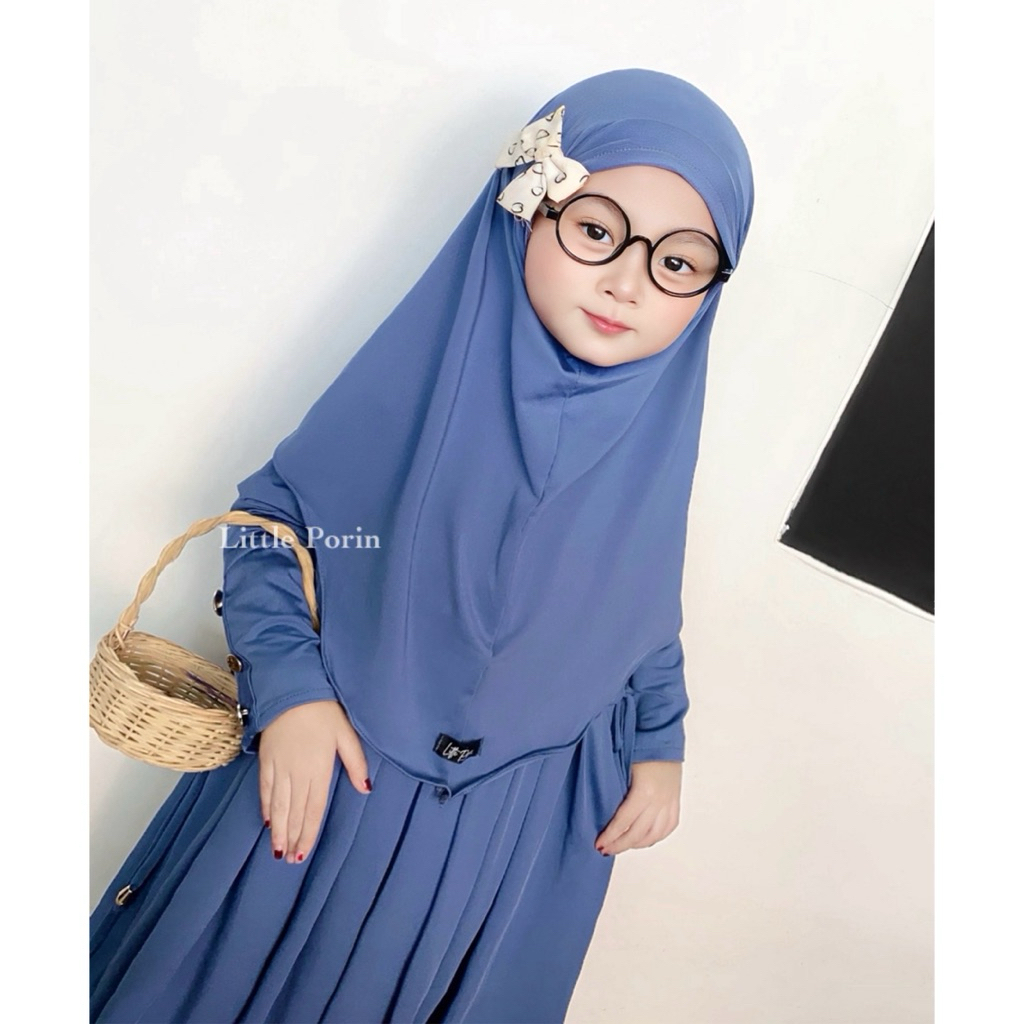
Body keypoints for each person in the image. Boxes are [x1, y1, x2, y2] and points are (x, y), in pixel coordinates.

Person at [89, 67, 755, 1023]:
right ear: (523, 211)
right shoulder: (420, 387)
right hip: (332, 788)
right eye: (596, 230)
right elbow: (272, 529)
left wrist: (661, 744)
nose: (626, 281)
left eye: (679, 263)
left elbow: (636, 609)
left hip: (508, 834)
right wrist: (293, 692)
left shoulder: (651, 446)